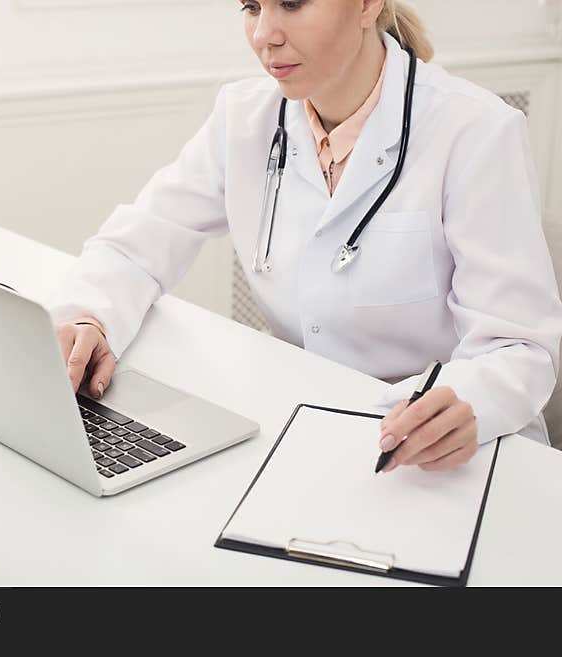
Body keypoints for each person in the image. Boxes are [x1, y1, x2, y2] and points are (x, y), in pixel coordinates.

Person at [48, 0, 562, 472]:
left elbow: (520, 348)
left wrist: (470, 398)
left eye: (292, 4)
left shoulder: (474, 130)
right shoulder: (244, 117)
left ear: (367, 5)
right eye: (251, 6)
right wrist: (90, 314)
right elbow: (138, 243)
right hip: (305, 432)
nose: (265, 35)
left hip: (446, 452)